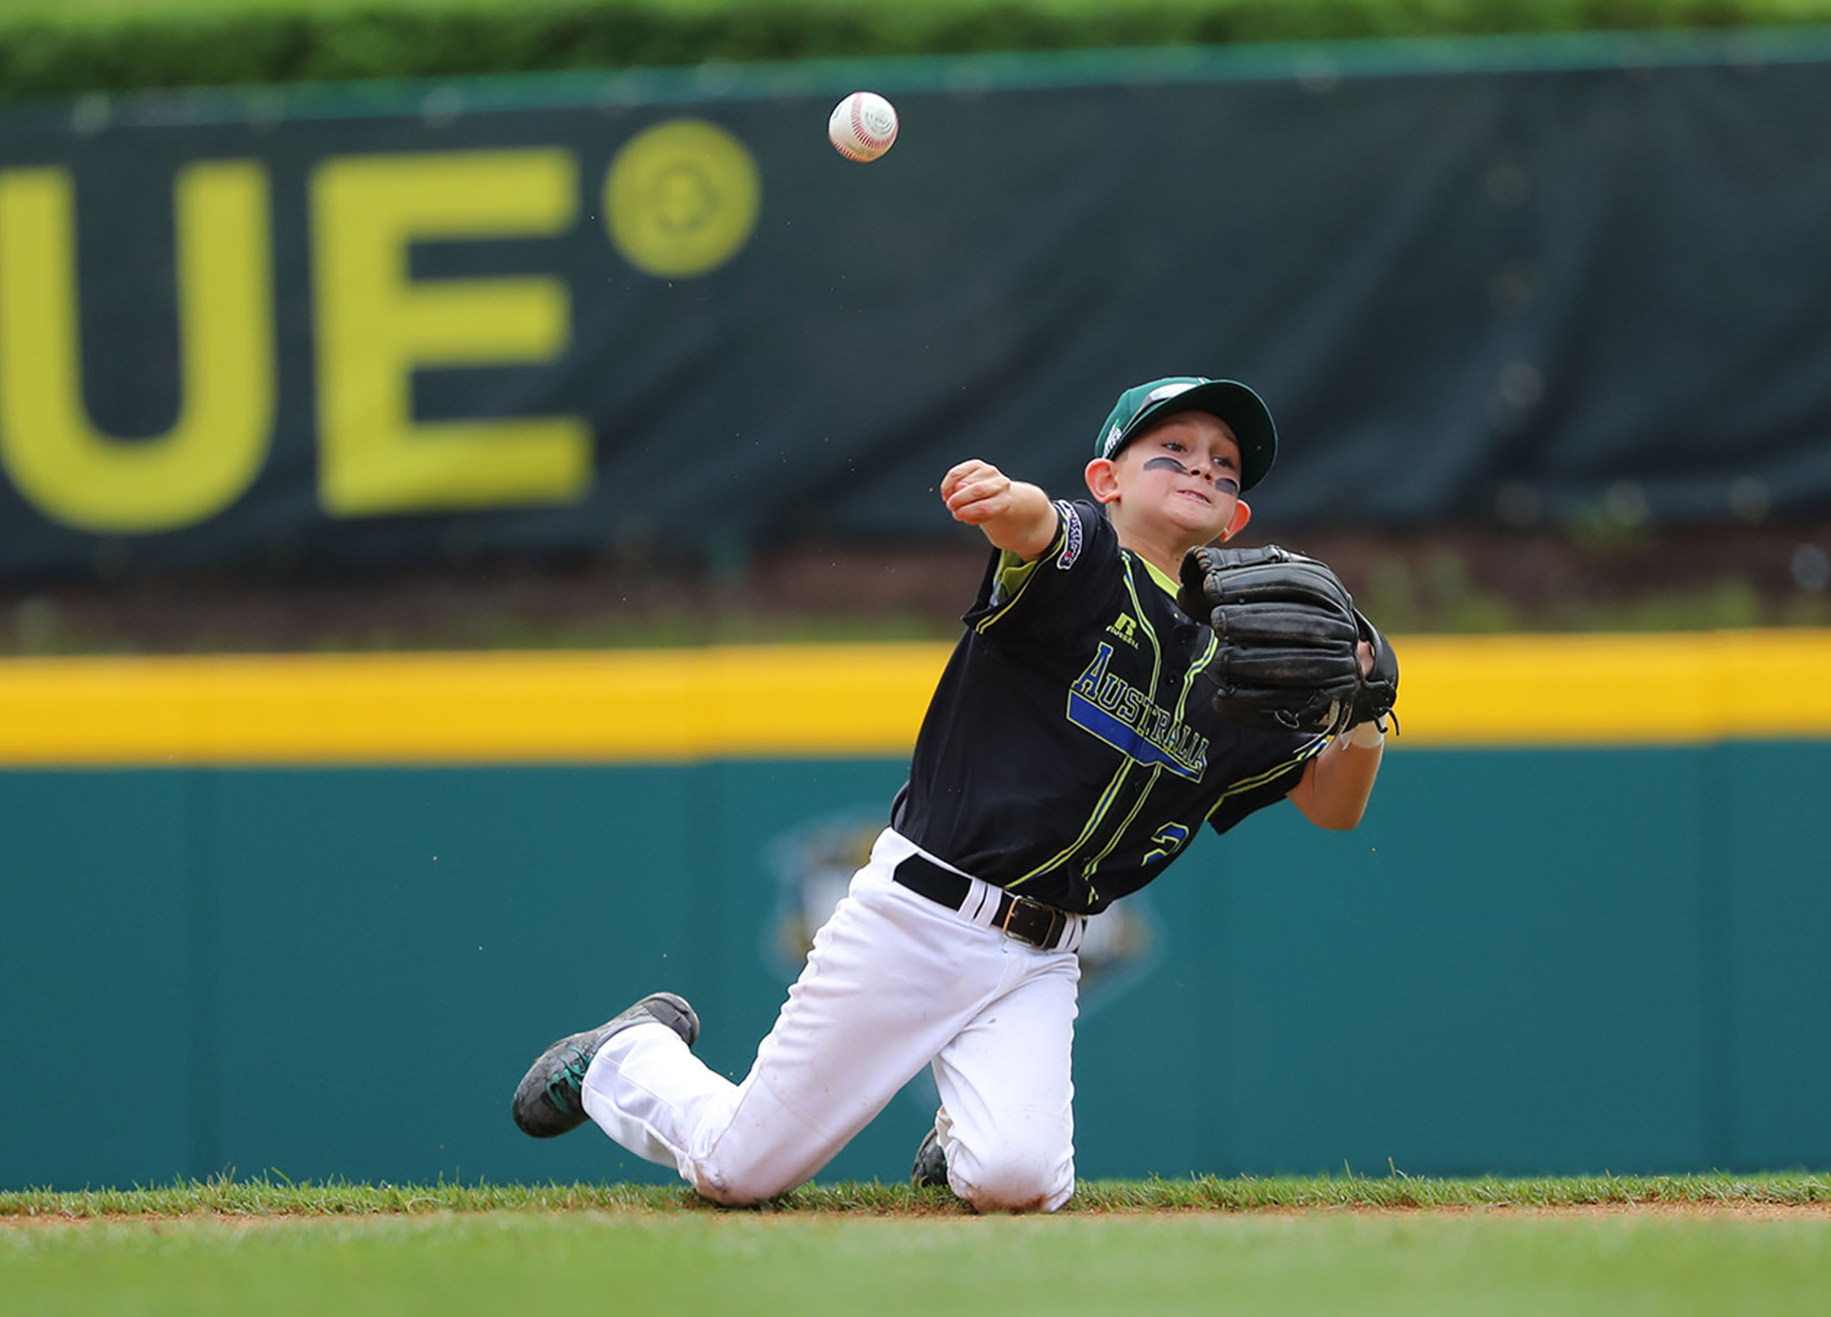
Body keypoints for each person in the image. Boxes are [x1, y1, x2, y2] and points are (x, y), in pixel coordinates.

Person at [510, 376, 1390, 1212]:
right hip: (917, 918)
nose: (1202, 464)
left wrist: (1365, 710)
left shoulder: (1246, 670)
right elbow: (1040, 528)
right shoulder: (1084, 563)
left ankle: (962, 1135)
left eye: (1224, 464)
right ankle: (626, 1058)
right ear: (1107, 478)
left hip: (1046, 955)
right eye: (1173, 447)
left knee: (1019, 1182)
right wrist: (1005, 500)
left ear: (1237, 518)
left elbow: (1332, 803)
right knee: (739, 1170)